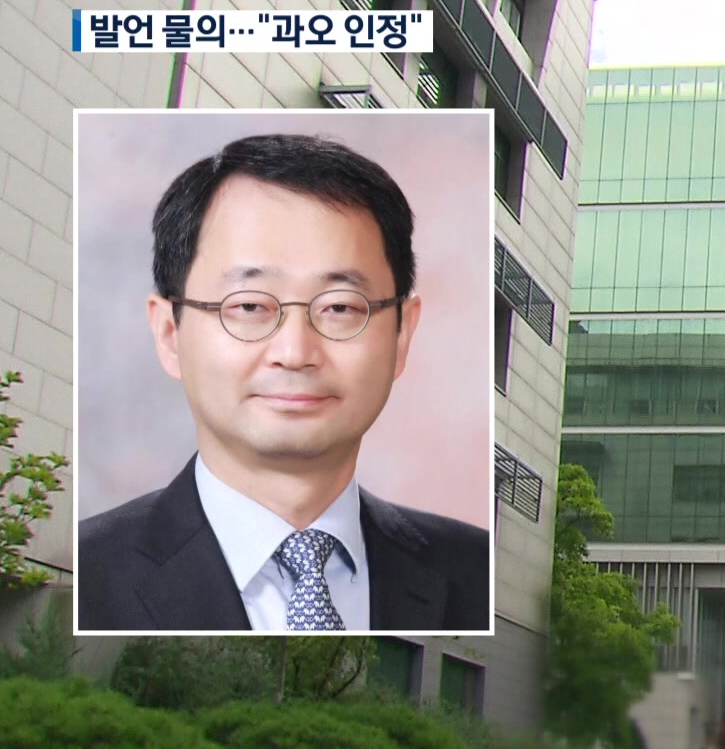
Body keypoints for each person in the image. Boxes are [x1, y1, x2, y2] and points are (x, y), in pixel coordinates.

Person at [76, 133, 489, 633]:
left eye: (340, 307)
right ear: (170, 333)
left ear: (402, 333)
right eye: (249, 306)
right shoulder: (86, 578)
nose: (295, 352)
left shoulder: (477, 575)